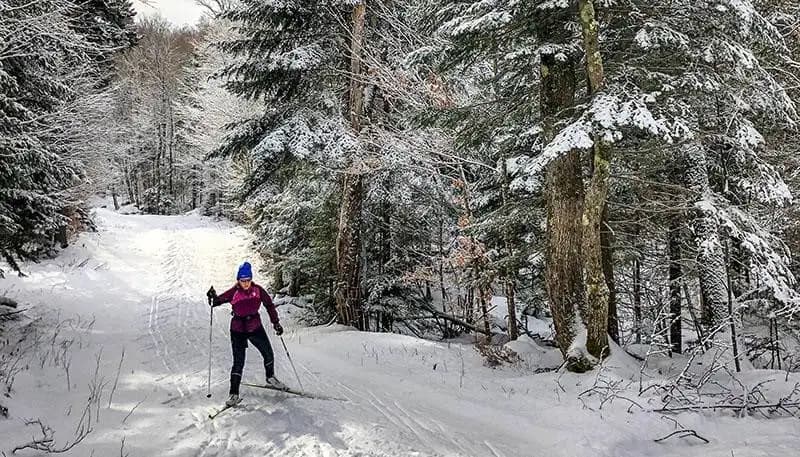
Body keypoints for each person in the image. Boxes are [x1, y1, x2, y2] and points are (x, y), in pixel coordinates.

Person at [206, 261, 286, 406]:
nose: (246, 283)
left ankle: (270, 377)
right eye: (243, 281)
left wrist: (276, 323)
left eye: (248, 280)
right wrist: (212, 297)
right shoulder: (234, 292)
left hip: (255, 327)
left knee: (268, 353)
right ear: (238, 280)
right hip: (238, 330)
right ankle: (234, 394)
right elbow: (216, 302)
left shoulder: (258, 290)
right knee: (238, 362)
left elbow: (269, 305)